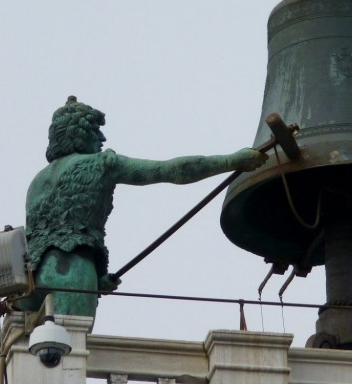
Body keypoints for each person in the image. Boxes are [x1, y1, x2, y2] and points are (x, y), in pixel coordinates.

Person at [19, 96, 267, 317]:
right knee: (73, 349)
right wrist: (232, 161)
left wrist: (97, 279)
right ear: (79, 134)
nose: (102, 139)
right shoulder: (101, 164)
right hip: (72, 272)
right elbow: (173, 171)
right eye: (95, 131)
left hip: (29, 280)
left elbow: (51, 235)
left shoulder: (37, 182)